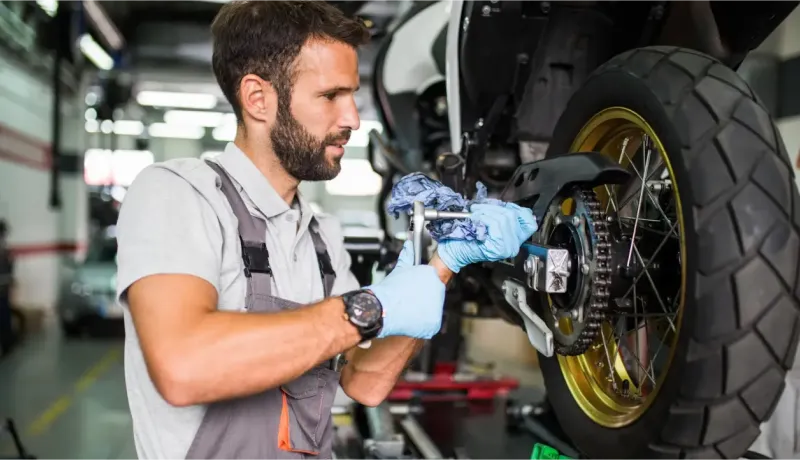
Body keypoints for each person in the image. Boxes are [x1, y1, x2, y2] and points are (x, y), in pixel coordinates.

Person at [114, 0, 538, 459]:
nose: (352, 118)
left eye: (352, 95)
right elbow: (182, 366)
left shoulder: (320, 237)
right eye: (330, 96)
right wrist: (370, 307)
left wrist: (441, 266)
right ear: (257, 98)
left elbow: (366, 382)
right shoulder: (178, 194)